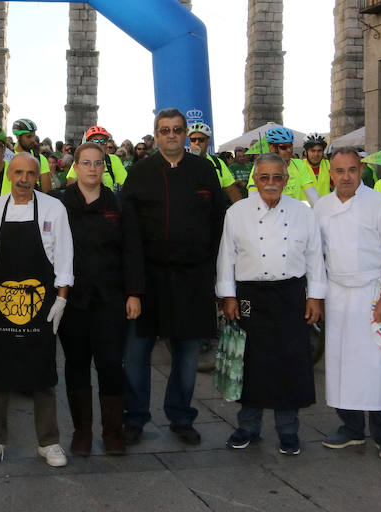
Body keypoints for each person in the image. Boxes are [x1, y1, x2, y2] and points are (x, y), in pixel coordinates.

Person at [120, 108, 227, 447]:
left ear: (185, 134)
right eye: (164, 130)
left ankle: (181, 417)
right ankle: (135, 417)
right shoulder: (139, 173)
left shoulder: (204, 170)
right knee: (137, 353)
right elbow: (129, 234)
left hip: (192, 278)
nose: (171, 135)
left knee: (187, 354)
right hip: (148, 277)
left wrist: (213, 274)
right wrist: (133, 288)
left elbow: (219, 224)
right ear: (156, 134)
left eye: (177, 130)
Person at [217, 152, 325, 456]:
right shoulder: (236, 212)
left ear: (287, 180)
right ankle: (247, 427)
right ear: (254, 179)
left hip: (291, 294)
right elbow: (226, 257)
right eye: (264, 177)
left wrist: (315, 296)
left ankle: (288, 431)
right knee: (250, 364)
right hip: (251, 295)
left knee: (290, 363)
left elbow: (315, 257)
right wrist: (228, 296)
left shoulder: (304, 213)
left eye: (277, 177)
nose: (271, 183)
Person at [0, 153, 74, 468]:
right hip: (0, 301)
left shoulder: (53, 207)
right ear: (8, 175)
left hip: (41, 301)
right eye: (18, 172)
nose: (24, 179)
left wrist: (62, 297)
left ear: (36, 175)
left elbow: (64, 254)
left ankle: (49, 442)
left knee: (43, 371)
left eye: (30, 173)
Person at [314, 148, 381, 460]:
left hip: (371, 292)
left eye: (352, 170)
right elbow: (316, 256)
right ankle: (351, 428)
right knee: (340, 364)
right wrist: (318, 296)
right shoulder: (321, 207)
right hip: (337, 294)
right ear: (331, 173)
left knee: (379, 366)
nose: (346, 176)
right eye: (340, 171)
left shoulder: (379, 203)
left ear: (361, 170)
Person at [58, 143, 144, 457]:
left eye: (98, 163)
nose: (92, 169)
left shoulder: (119, 204)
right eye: (86, 163)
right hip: (73, 301)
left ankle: (112, 432)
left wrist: (134, 293)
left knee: (110, 365)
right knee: (76, 366)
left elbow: (132, 251)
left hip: (111, 299)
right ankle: (82, 432)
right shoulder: (59, 203)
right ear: (76, 167)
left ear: (104, 167)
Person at [246, 127, 320, 206]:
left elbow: (312, 194)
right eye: (283, 147)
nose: (289, 150)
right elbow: (253, 197)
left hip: (294, 214)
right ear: (272, 148)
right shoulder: (260, 166)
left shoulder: (299, 164)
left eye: (290, 146)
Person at [186, 122, 241, 204]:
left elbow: (232, 191)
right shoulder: (182, 160)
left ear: (208, 141)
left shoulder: (217, 162)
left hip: (212, 213)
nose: (197, 143)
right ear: (189, 141)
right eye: (193, 139)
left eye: (201, 140)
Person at [66, 126, 127, 191]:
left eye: (103, 142)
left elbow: (125, 184)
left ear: (106, 144)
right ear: (88, 143)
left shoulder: (113, 159)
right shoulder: (80, 159)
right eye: (95, 141)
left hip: (108, 198)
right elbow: (70, 183)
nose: (99, 145)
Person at [11, 118, 53, 192]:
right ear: (17, 136)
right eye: (29, 137)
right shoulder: (8, 157)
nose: (33, 140)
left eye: (34, 136)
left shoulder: (40, 159)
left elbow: (47, 192)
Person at [302, 132, 332, 199]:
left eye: (319, 151)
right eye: (313, 151)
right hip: (305, 209)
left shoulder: (328, 165)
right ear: (306, 152)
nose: (316, 154)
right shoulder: (298, 167)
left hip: (325, 208)